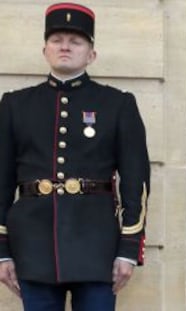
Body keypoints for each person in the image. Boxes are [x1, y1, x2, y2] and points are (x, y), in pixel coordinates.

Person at [0, 3, 150, 311]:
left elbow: (136, 181)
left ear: (91, 54)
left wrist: (128, 249)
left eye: (75, 41)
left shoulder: (118, 104)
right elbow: (1, 181)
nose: (65, 46)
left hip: (97, 247)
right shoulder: (15, 105)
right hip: (33, 247)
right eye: (57, 40)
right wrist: (2, 251)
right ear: (45, 50)